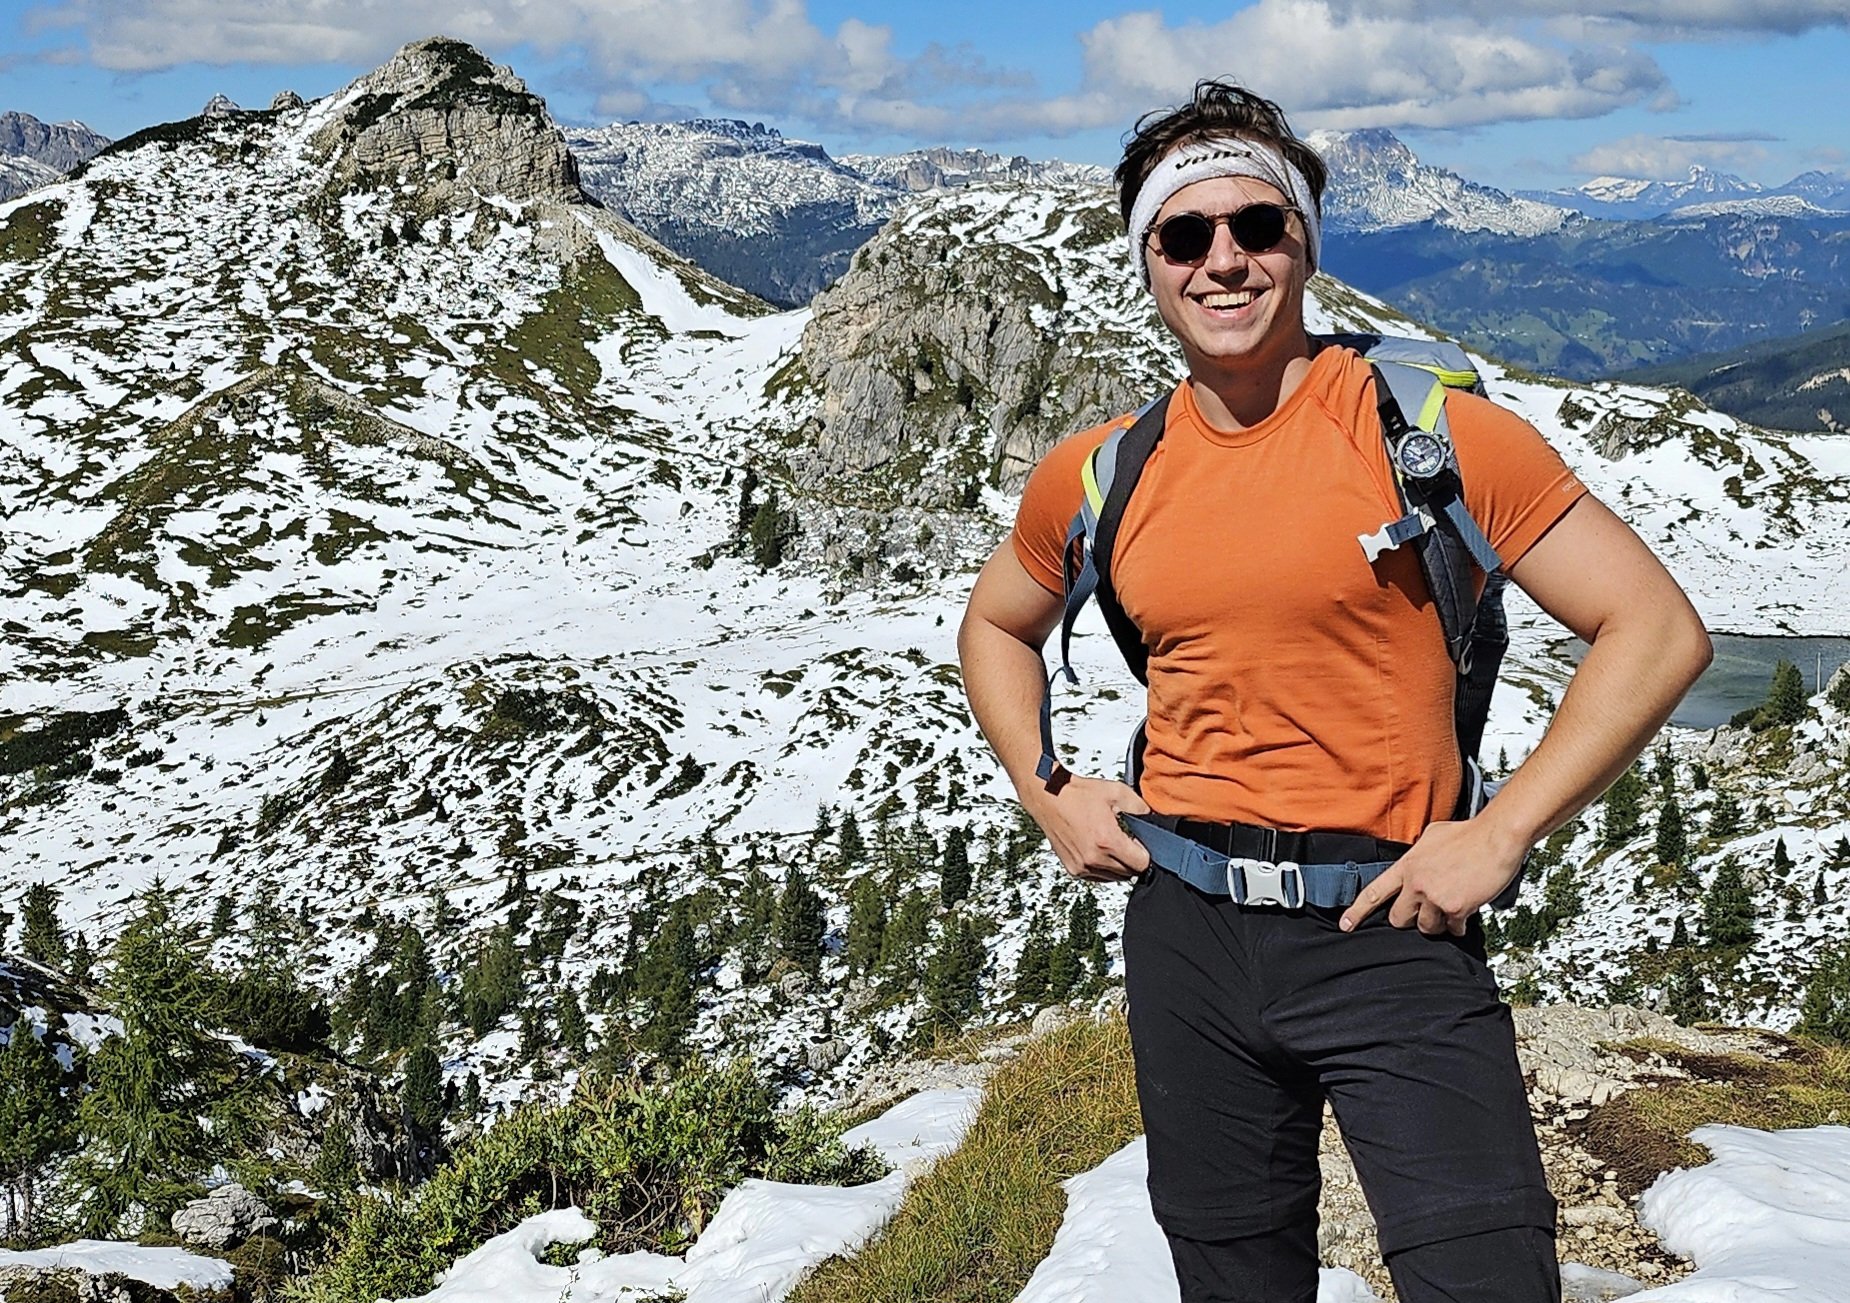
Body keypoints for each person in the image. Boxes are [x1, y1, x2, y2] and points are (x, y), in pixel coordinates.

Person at [956, 80, 1712, 1303]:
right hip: (1186, 930)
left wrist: (1501, 831)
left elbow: (1655, 629)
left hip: (1389, 926)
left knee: (1485, 1278)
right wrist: (1045, 792)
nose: (1222, 262)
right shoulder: (1101, 469)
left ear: (1303, 242)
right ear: (1146, 260)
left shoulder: (1428, 431)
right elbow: (996, 623)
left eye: (1256, 227)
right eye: (1182, 236)